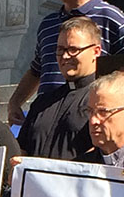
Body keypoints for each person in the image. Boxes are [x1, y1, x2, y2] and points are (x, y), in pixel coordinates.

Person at [18, 16, 101, 160]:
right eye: (60, 50)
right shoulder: (42, 103)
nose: (65, 56)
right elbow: (22, 150)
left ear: (96, 51)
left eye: (73, 49)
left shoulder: (102, 101)